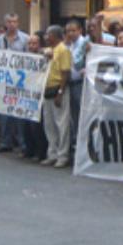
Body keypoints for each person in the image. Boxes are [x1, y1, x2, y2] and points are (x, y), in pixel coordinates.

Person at [0, 13, 30, 154]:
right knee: (5, 113)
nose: (12, 24)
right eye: (9, 22)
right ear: (5, 23)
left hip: (20, 81)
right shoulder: (0, 39)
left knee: (20, 114)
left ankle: (23, 143)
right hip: (5, 80)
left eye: (14, 22)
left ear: (18, 23)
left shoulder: (25, 39)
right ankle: (6, 142)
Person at [41, 25, 72, 168]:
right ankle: (52, 153)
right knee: (49, 124)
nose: (46, 37)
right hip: (47, 89)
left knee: (61, 124)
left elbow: (65, 72)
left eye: (49, 34)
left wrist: (60, 92)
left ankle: (63, 155)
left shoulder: (63, 50)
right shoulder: (50, 50)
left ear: (56, 36)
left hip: (58, 89)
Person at [64, 19, 88, 157]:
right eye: (68, 31)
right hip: (70, 83)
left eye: (73, 30)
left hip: (80, 83)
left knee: (81, 114)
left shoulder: (85, 43)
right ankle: (76, 145)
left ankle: (83, 146)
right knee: (73, 116)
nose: (71, 33)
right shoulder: (69, 45)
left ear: (80, 30)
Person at [24, 32, 49, 161]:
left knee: (37, 125)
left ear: (39, 45)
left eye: (34, 43)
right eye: (29, 43)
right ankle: (29, 150)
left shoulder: (44, 56)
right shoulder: (23, 57)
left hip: (39, 94)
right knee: (26, 124)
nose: (31, 46)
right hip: (26, 94)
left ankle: (41, 152)